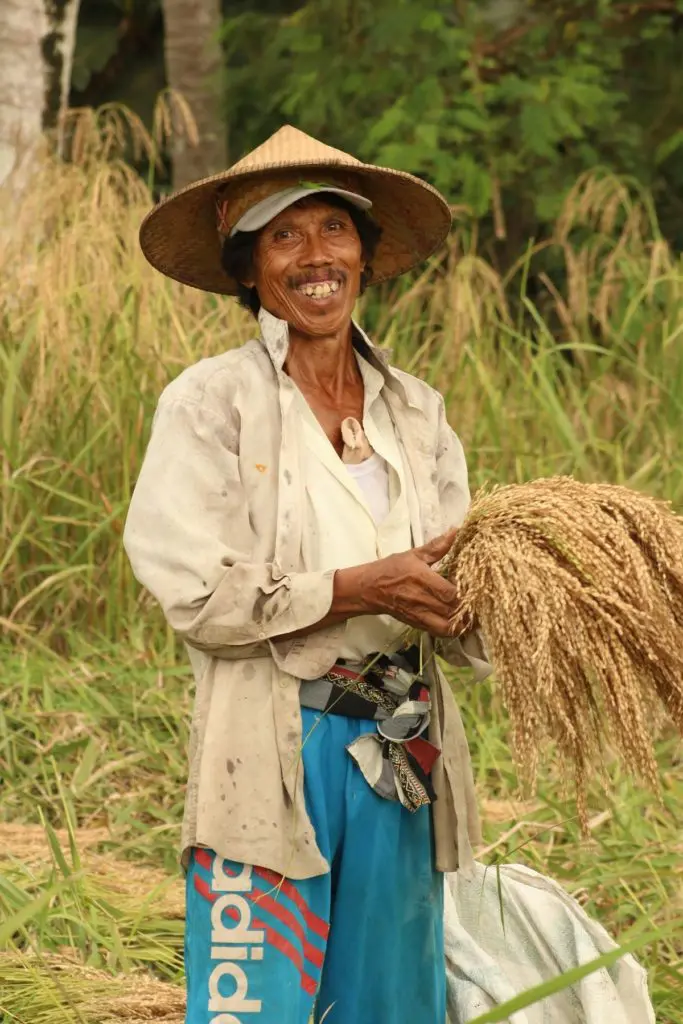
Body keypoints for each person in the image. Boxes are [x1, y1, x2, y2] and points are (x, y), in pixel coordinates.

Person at [123, 124, 489, 1024]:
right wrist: (359, 588)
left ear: (364, 255)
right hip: (275, 737)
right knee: (260, 998)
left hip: (400, 739)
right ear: (249, 269)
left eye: (333, 229)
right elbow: (196, 592)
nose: (313, 255)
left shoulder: (416, 410)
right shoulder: (211, 402)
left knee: (389, 1001)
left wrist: (487, 601)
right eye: (282, 235)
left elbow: (461, 578)